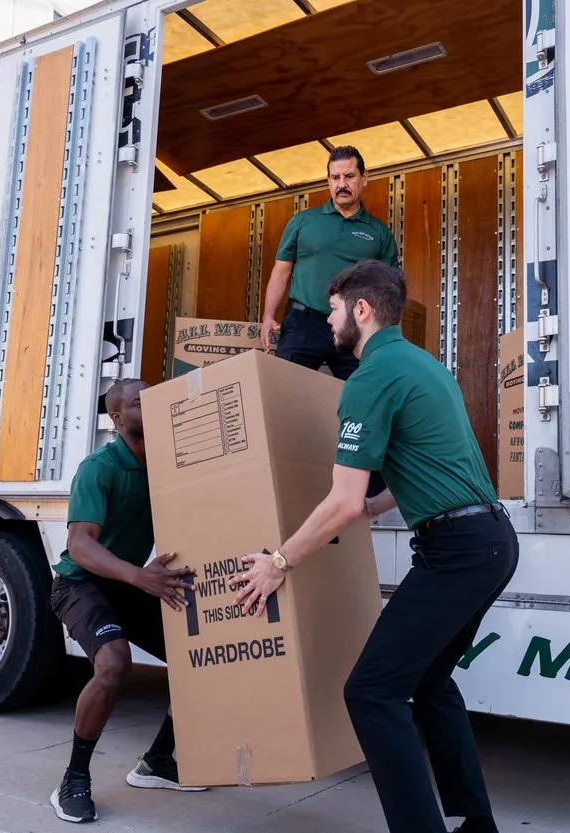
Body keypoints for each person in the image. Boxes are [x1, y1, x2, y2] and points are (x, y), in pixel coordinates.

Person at [229, 260, 519, 833]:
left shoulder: (369, 377)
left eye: (333, 309)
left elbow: (339, 500)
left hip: (458, 550)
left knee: (371, 693)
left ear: (361, 311)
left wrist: (279, 562)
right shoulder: (422, 365)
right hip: (488, 540)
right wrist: (368, 508)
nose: (328, 319)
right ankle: (477, 823)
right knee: (430, 682)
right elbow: (422, 466)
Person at [48, 378, 206, 824]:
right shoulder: (100, 467)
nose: (152, 405)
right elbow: (80, 545)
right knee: (114, 664)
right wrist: (140, 576)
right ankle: (73, 779)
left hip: (130, 583)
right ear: (117, 418)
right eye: (140, 402)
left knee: (197, 657)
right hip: (81, 585)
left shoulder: (167, 463)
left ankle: (157, 762)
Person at [259, 146, 399, 381]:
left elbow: (390, 290)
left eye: (349, 176)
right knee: (283, 389)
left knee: (363, 392)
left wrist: (391, 337)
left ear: (364, 178)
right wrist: (268, 316)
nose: (341, 184)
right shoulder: (302, 222)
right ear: (328, 181)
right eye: (335, 178)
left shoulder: (379, 233)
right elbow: (281, 270)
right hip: (303, 321)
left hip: (353, 325)